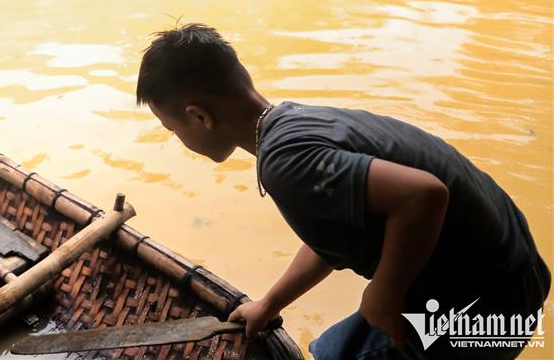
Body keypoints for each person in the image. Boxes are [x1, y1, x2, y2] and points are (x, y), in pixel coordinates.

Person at [136, 24, 549, 359]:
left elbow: (423, 196)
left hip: (487, 303)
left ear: (199, 116)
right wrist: (270, 304)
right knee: (331, 349)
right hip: (513, 267)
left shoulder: (284, 161)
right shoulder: (297, 121)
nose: (177, 138)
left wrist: (385, 291)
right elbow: (332, 235)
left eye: (173, 129)